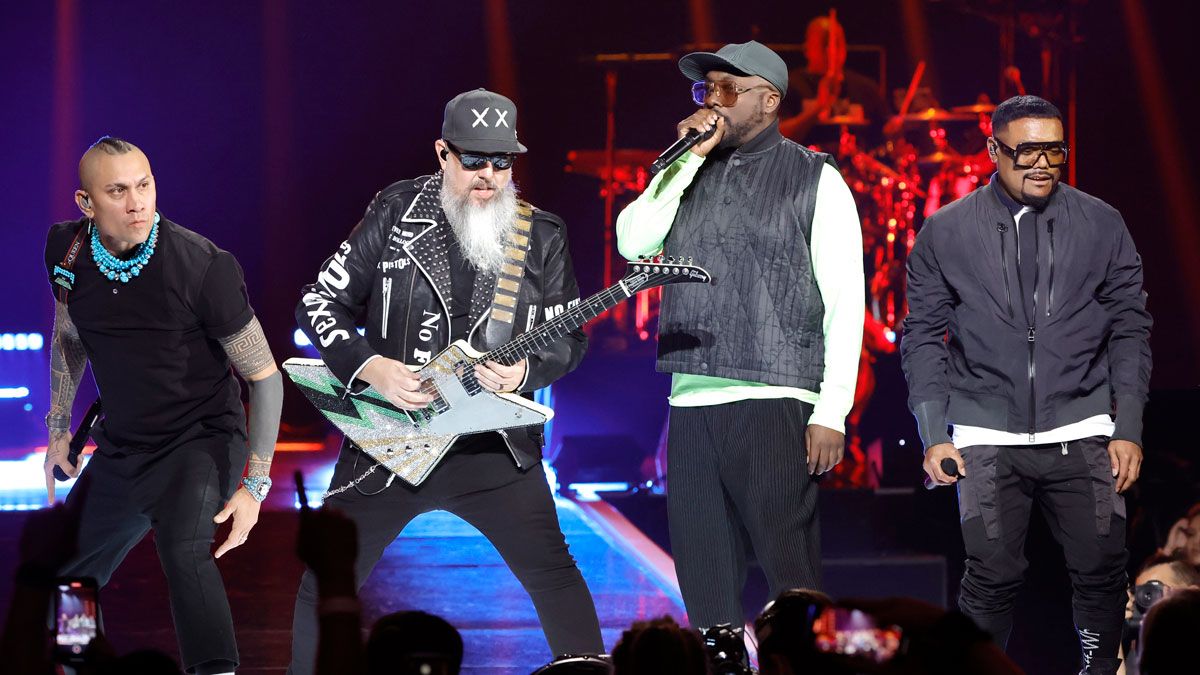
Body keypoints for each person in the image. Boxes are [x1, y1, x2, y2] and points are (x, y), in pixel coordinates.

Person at [288, 88, 603, 674]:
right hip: (388, 442)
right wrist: (371, 367)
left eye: (501, 162)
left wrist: (525, 371)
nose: (489, 176)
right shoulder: (393, 211)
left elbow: (569, 336)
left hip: (493, 449)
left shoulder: (542, 234)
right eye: (474, 161)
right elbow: (318, 302)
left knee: (554, 573)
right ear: (442, 153)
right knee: (326, 583)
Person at [615, 40, 864, 656]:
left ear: (769, 100)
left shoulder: (816, 177)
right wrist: (676, 167)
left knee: (792, 579)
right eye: (705, 90)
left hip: (776, 394)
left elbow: (845, 302)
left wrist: (831, 412)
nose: (711, 101)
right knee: (704, 577)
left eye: (726, 88)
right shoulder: (686, 171)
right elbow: (632, 240)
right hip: (692, 396)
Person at [901, 95, 1153, 675]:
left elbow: (1131, 328)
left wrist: (1128, 426)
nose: (1042, 163)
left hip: (1085, 426)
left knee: (1101, 565)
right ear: (993, 150)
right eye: (1025, 151)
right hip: (986, 432)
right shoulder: (945, 231)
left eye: (1055, 150)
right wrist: (935, 434)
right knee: (990, 575)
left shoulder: (1101, 222)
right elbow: (922, 337)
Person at [42, 136, 284, 675]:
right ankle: (76, 664)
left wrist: (255, 485)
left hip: (200, 440)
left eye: (145, 185)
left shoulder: (202, 265)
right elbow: (68, 338)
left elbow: (265, 378)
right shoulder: (67, 251)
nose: (137, 202)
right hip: (125, 444)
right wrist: (60, 427)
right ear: (86, 204)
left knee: (184, 552)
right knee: (66, 572)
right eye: (119, 190)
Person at [779, 16, 892, 147]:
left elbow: (885, 135)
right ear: (807, 49)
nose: (830, 51)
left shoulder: (866, 88)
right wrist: (817, 108)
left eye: (836, 44)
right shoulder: (788, 86)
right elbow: (776, 139)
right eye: (824, 43)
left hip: (855, 165)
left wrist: (896, 129)